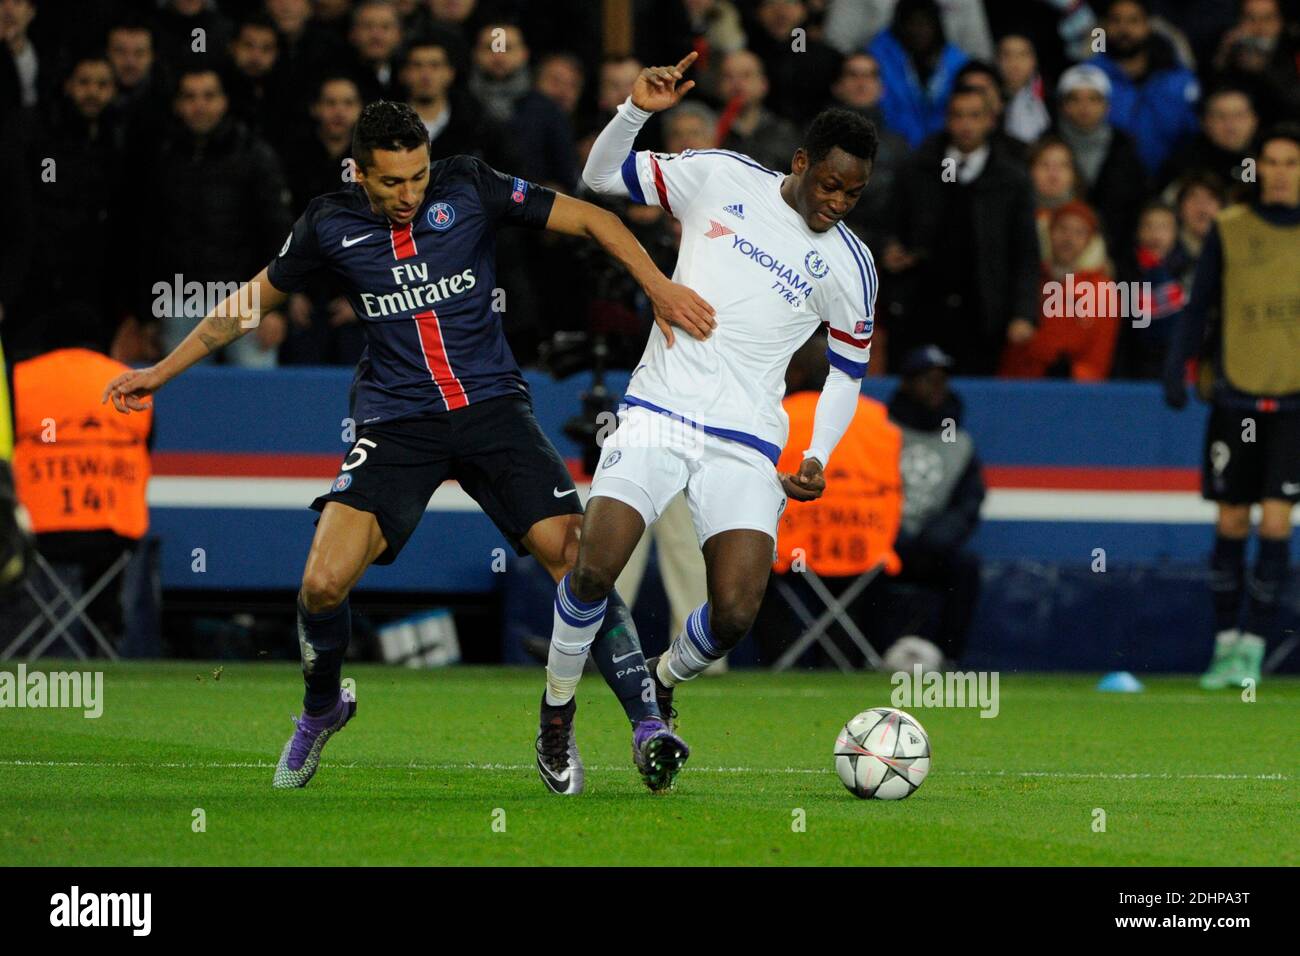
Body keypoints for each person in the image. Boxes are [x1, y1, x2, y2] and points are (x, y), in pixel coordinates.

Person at [103, 100, 714, 795]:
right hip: (398, 422)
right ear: (359, 173)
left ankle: (646, 725)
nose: (409, 194)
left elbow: (596, 218)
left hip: (492, 410)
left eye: (418, 176)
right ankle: (323, 708)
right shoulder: (328, 224)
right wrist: (160, 372)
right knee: (321, 583)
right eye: (392, 182)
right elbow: (246, 305)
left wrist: (659, 288)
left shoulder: (471, 184)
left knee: (580, 559)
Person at [568, 53, 879, 762]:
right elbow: (599, 176)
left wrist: (815, 456)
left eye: (852, 195)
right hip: (658, 409)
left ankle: (664, 676)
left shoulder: (853, 268)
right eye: (828, 184)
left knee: (736, 610)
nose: (835, 203)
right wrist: (636, 110)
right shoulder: (721, 176)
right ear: (800, 162)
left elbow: (846, 376)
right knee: (595, 567)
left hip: (747, 439)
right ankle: (559, 711)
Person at [1163, 123, 1300, 691]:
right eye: (1270, 161)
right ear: (1257, 169)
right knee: (1230, 518)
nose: (1280, 171)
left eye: (1292, 161)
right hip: (1236, 396)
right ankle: (1225, 645)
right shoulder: (1231, 228)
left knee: (1275, 521)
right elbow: (1201, 306)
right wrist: (1179, 364)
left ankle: (1255, 647)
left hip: (1294, 403)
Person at [884, 84, 1040, 372]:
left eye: (975, 116)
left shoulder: (1011, 179)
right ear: (947, 120)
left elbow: (1025, 253)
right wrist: (891, 251)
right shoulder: (919, 169)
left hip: (984, 314)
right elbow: (891, 228)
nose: (966, 124)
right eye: (958, 115)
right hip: (921, 309)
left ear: (991, 121)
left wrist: (1023, 313)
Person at [886, 346, 984, 663]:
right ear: (906, 384)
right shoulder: (881, 431)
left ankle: (948, 659)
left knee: (965, 570)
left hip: (933, 548)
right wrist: (890, 532)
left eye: (942, 380)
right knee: (855, 571)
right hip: (883, 543)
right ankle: (859, 658)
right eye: (927, 379)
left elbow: (969, 501)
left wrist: (942, 534)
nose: (936, 388)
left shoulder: (960, 441)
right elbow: (862, 485)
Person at [1000, 200, 1119, 381]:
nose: (1068, 238)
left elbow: (1098, 359)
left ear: (1091, 241)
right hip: (1017, 384)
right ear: (1049, 233)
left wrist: (1072, 373)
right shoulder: (1028, 279)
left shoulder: (1102, 292)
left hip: (1070, 391)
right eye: (1062, 229)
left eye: (1079, 232)